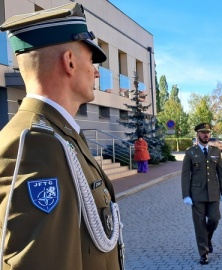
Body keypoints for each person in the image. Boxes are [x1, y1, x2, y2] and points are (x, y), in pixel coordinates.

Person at [0, 3, 123, 269]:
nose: (96, 71)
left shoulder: (60, 136)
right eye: (91, 60)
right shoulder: (35, 144)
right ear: (69, 62)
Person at [181, 123, 222, 265]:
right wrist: (186, 195)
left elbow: (221, 173)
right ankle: (203, 253)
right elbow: (185, 175)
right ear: (198, 135)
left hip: (213, 193)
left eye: (207, 132)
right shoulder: (190, 152)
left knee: (214, 219)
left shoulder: (215, 151)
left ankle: (207, 239)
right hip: (197, 194)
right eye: (202, 132)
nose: (206, 135)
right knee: (199, 224)